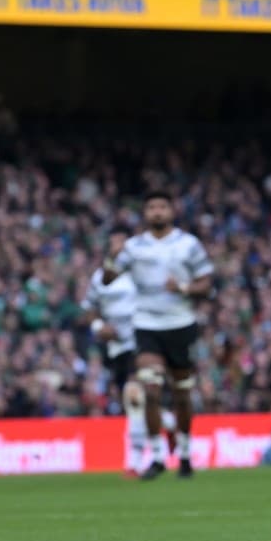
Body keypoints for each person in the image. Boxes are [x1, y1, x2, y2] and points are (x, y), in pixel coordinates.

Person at [104, 191, 215, 480]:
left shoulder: (188, 244)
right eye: (151, 206)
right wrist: (111, 258)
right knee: (150, 389)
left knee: (181, 394)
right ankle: (156, 456)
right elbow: (107, 279)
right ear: (145, 212)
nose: (157, 212)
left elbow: (206, 284)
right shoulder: (133, 246)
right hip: (147, 325)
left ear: (171, 211)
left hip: (181, 325)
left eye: (162, 207)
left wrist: (183, 288)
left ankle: (186, 455)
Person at [81, 226, 143, 477]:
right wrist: (99, 326)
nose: (117, 247)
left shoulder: (140, 274)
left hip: (141, 341)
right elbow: (89, 309)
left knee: (133, 394)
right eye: (113, 242)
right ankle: (169, 424)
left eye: (121, 242)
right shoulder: (99, 278)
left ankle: (135, 460)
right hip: (116, 346)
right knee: (133, 402)